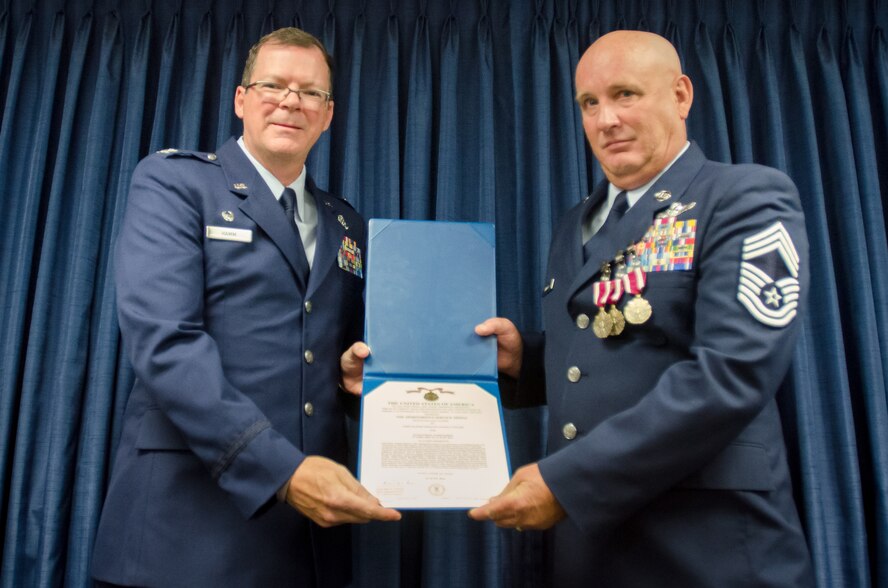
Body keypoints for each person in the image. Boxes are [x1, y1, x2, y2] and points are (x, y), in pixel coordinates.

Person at [463, 30, 814, 585]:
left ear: (680, 96)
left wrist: (570, 482)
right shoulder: (574, 223)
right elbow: (595, 358)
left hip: (703, 546)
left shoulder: (744, 197)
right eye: (589, 103)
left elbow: (732, 373)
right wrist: (522, 362)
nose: (606, 120)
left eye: (625, 94)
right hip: (589, 550)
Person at [92, 27, 399, 587]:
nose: (290, 102)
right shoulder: (175, 182)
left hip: (306, 542)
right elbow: (166, 344)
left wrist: (354, 373)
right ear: (241, 99)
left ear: (328, 115)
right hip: (183, 533)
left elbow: (322, 354)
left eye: (310, 92)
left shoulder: (346, 222)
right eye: (274, 85)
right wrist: (282, 471)